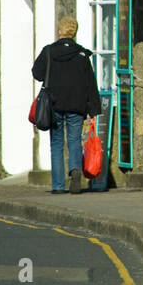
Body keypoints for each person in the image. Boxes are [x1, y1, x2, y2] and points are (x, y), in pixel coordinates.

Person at [32, 17, 102, 193]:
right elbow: (90, 84)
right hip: (76, 105)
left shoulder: (49, 52)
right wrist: (93, 108)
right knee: (74, 141)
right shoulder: (82, 55)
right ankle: (75, 169)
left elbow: (37, 73)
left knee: (56, 144)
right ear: (75, 32)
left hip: (53, 105)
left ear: (59, 31)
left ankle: (58, 186)